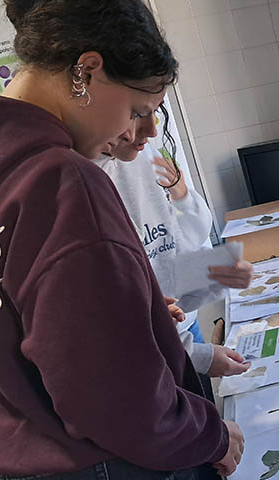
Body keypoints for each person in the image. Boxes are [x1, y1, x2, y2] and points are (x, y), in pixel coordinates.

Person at [0, 1, 243, 478]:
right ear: (85, 72)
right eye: (137, 110)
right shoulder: (63, 181)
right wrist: (206, 432)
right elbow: (114, 397)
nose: (145, 133)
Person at [97, 107, 252, 378]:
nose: (152, 130)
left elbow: (166, 258)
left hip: (181, 332)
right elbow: (119, 307)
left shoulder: (143, 158)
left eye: (154, 112)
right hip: (147, 358)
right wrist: (195, 355)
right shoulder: (83, 181)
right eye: (135, 112)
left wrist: (212, 272)